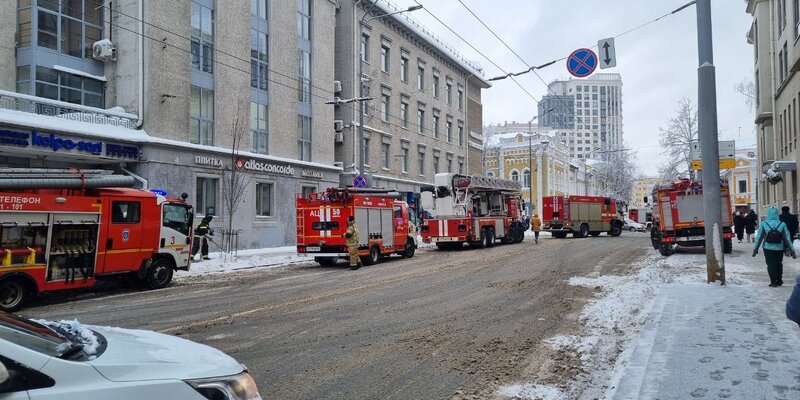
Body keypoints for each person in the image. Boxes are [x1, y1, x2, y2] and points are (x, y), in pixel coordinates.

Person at [753, 206, 796, 287]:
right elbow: (787, 238)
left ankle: (773, 281)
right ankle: (779, 280)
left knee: (771, 264)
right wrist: (792, 251)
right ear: (777, 214)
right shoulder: (782, 224)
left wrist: (755, 249)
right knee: (779, 263)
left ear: (768, 214)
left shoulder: (764, 224)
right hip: (779, 248)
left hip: (767, 248)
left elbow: (759, 238)